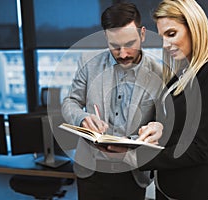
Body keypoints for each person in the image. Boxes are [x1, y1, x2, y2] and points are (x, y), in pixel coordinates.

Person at [134, 0, 208, 199]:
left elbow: (200, 149)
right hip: (166, 189)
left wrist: (137, 158)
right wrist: (156, 129)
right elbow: (177, 127)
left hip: (195, 193)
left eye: (171, 34)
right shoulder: (180, 73)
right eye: (162, 36)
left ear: (194, 28)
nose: (165, 44)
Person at [61, 2, 162, 200]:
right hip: (91, 170)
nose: (123, 54)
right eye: (115, 46)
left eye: (130, 44)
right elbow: (70, 102)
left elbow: (160, 125)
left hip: (132, 172)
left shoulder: (160, 75)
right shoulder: (89, 63)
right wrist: (82, 118)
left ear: (142, 34)